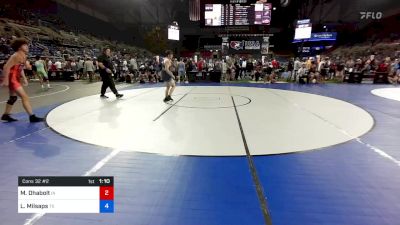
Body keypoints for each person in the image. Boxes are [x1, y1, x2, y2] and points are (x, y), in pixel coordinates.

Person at [0, 38, 44, 122]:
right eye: (24, 45)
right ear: (19, 47)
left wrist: (24, 78)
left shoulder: (24, 56)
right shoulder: (15, 55)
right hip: (12, 78)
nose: (27, 46)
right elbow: (6, 67)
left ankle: (5, 115)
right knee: (25, 97)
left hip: (15, 77)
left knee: (13, 98)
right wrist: (5, 80)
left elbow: (20, 69)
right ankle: (32, 116)